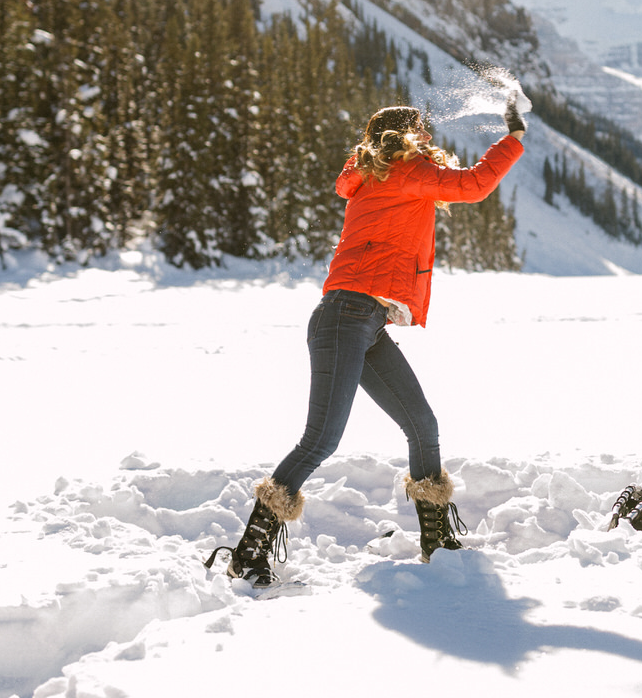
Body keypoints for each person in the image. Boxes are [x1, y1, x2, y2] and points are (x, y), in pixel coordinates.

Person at [206, 95, 527, 586]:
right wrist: (513, 139)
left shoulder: (377, 176)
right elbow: (476, 185)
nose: (428, 139)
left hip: (365, 319)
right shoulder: (405, 172)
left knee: (422, 424)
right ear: (406, 138)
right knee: (320, 440)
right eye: (421, 131)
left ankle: (435, 540)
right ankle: (248, 554)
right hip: (346, 317)